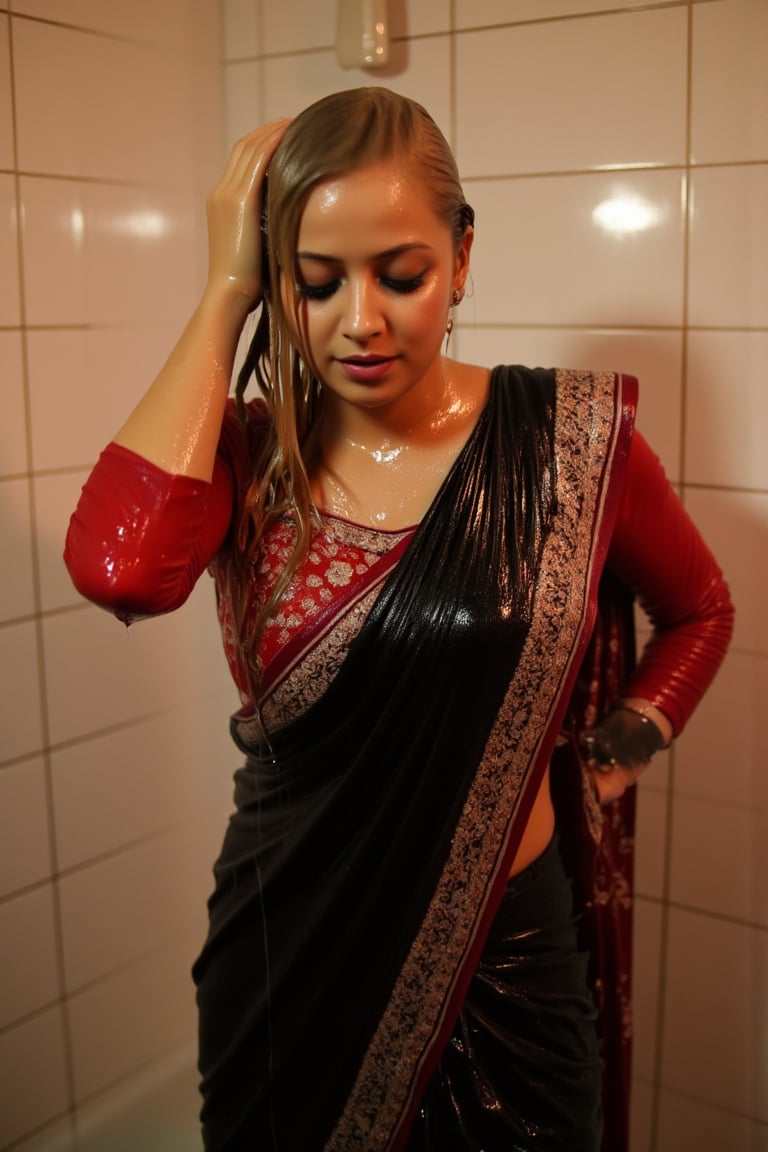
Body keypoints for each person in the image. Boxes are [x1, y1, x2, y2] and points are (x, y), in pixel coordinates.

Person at [64, 87, 733, 1152]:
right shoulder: (250, 452)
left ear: (462, 258)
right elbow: (122, 573)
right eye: (315, 282)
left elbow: (701, 610)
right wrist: (226, 287)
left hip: (506, 956)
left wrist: (604, 755)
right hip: (290, 948)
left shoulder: (571, 442)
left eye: (402, 274)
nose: (360, 320)